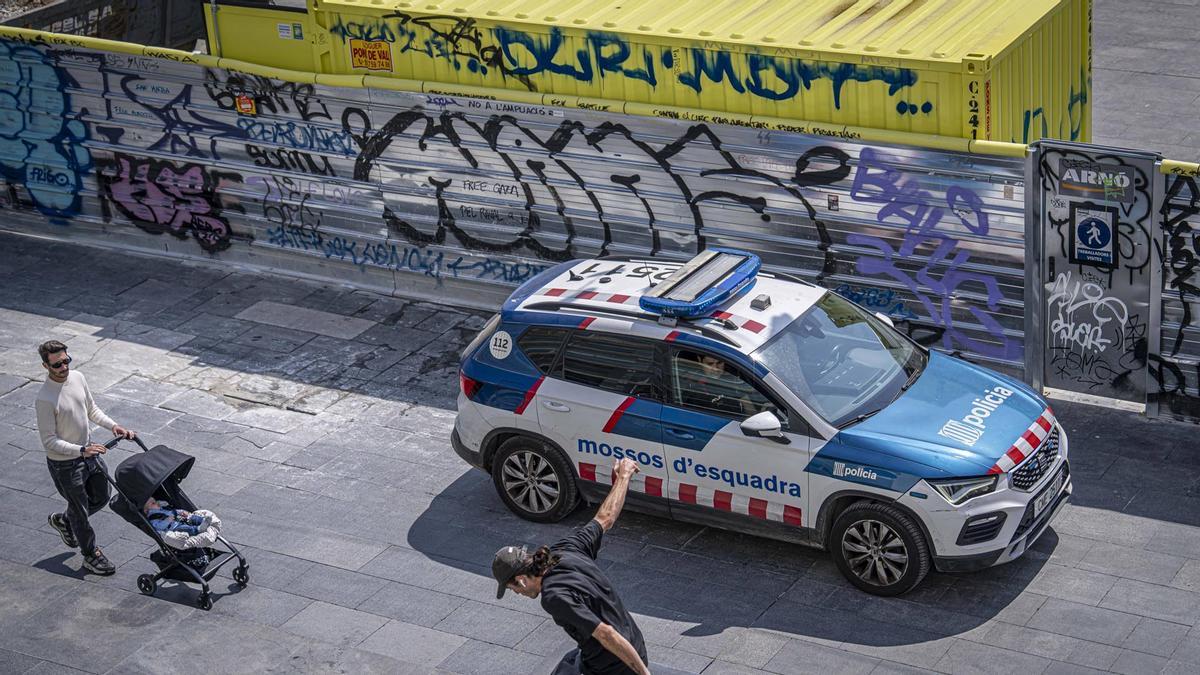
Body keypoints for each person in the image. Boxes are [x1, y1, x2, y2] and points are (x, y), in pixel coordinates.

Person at [492, 458, 650, 675]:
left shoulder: (553, 596)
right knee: (567, 665)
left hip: (615, 667)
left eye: (514, 589)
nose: (518, 593)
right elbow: (605, 518)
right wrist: (624, 476)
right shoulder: (566, 549)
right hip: (635, 644)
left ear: (521, 579)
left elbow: (606, 634)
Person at [35, 340, 135, 575]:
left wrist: (113, 426)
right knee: (80, 510)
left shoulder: (78, 377)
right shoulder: (45, 399)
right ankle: (91, 555)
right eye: (57, 364)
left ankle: (65, 521)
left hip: (89, 453)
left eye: (66, 361)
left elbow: (91, 408)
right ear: (45, 366)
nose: (64, 367)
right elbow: (49, 441)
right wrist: (80, 451)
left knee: (101, 496)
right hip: (65, 465)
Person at [143, 497, 211, 536]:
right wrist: (167, 521)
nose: (156, 503)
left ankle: (202, 520)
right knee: (185, 529)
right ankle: (198, 529)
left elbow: (172, 511)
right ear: (147, 510)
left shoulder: (162, 508)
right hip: (173, 528)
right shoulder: (153, 517)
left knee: (191, 517)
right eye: (153, 503)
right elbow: (159, 526)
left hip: (178, 519)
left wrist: (180, 511)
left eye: (155, 501)